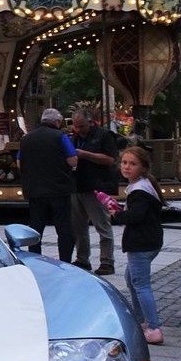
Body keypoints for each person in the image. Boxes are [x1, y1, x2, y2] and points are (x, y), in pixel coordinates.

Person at [108, 145, 165, 345]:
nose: (127, 167)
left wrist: (117, 214)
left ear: (143, 167)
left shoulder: (139, 190)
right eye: (124, 162)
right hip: (150, 240)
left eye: (133, 164)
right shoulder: (142, 186)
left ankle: (154, 327)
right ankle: (142, 322)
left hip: (141, 242)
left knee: (141, 285)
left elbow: (136, 216)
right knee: (131, 278)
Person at [18, 108, 78, 261]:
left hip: (34, 190)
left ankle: (35, 258)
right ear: (57, 122)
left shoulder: (26, 138)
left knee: (36, 227)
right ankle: (65, 260)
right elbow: (72, 159)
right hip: (59, 189)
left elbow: (19, 162)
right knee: (64, 229)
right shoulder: (60, 136)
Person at [69, 110, 120, 275]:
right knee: (78, 227)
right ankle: (82, 259)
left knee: (102, 225)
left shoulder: (104, 135)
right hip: (77, 186)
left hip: (97, 187)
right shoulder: (74, 137)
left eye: (81, 126)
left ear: (91, 122)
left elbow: (110, 159)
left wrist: (85, 155)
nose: (78, 129)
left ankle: (107, 262)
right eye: (76, 126)